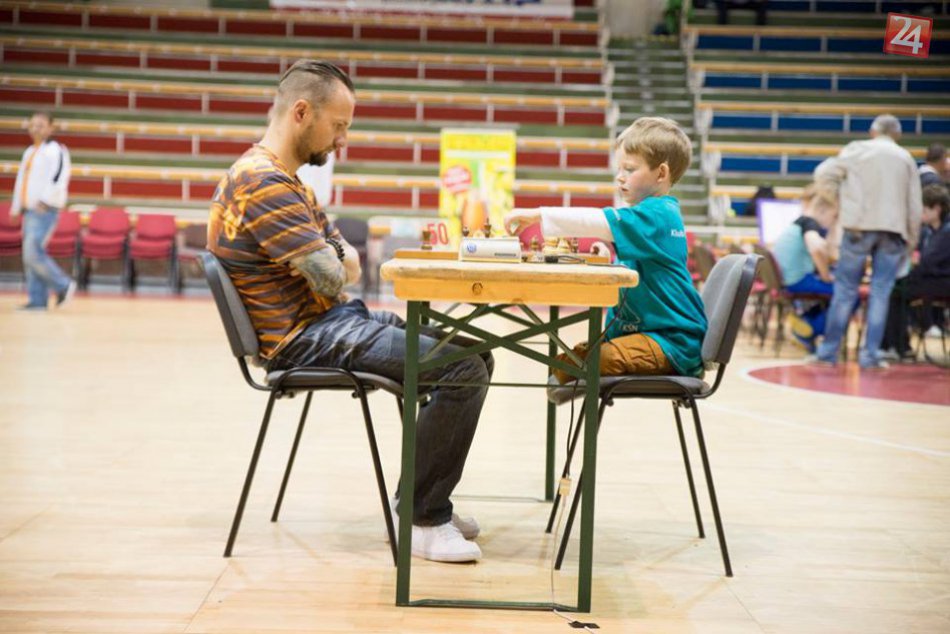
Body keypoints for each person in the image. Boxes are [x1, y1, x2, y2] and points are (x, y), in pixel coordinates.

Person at [208, 60, 490, 563]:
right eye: (338, 126)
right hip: (304, 336)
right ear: (301, 112)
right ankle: (423, 520)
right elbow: (337, 272)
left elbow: (345, 263)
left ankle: (416, 499)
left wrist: (333, 256)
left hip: (331, 321)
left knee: (477, 357)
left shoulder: (287, 181)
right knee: (461, 371)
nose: (342, 141)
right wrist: (335, 257)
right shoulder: (264, 183)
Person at [503, 117, 707, 383]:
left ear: (661, 174)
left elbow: (599, 220)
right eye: (619, 168)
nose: (619, 177)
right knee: (566, 364)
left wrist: (538, 215)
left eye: (630, 169)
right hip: (648, 335)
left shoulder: (659, 214)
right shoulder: (648, 217)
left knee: (575, 364)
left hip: (671, 343)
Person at [810, 114, 923, 369]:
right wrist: (911, 240)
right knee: (880, 293)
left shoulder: (857, 149)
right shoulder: (905, 158)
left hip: (858, 226)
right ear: (897, 134)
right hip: (893, 231)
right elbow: (915, 205)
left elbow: (823, 173)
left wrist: (837, 200)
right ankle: (871, 355)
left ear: (873, 131)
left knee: (845, 290)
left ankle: (828, 353)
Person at [10, 111, 74, 311]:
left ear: (51, 128)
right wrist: (16, 206)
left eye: (41, 125)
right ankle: (37, 300)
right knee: (30, 255)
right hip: (28, 211)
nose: (36, 129)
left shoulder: (56, 150)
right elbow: (21, 181)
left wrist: (45, 201)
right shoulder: (29, 152)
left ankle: (63, 285)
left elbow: (59, 177)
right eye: (33, 125)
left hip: (44, 210)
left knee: (33, 253)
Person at [881, 184, 950, 359]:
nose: (920, 213)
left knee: (896, 292)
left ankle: (897, 345)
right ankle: (897, 344)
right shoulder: (929, 231)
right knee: (895, 288)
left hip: (942, 282)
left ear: (936, 208)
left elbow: (928, 261)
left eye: (924, 209)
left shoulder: (946, 231)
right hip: (930, 278)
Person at [771, 184, 839, 353]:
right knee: (849, 295)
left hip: (789, 280)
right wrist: (825, 275)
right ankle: (809, 328)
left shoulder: (800, 222)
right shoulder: (811, 223)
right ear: (824, 210)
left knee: (837, 294)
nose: (833, 220)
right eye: (834, 215)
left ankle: (805, 321)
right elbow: (815, 247)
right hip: (798, 281)